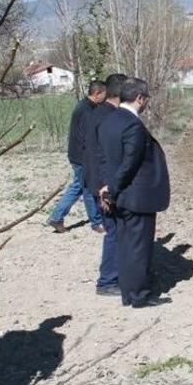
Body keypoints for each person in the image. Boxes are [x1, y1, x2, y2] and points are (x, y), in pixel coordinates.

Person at [98, 78, 171, 308]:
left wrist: (106, 188)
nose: (146, 103)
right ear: (139, 99)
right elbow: (129, 163)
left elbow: (104, 159)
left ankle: (129, 292)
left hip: (120, 196)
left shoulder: (109, 121)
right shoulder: (133, 125)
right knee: (139, 247)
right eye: (146, 99)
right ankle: (140, 295)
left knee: (125, 244)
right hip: (136, 197)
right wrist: (113, 188)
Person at [84, 73, 127, 297]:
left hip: (98, 182)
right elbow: (101, 156)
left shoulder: (100, 113)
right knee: (114, 231)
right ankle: (107, 281)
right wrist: (104, 188)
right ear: (120, 93)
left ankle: (116, 275)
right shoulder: (107, 118)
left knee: (116, 230)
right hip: (103, 186)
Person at [47, 80, 107, 233]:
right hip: (81, 156)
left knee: (78, 186)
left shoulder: (85, 105)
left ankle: (57, 217)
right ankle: (96, 222)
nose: (105, 98)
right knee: (86, 188)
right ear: (97, 93)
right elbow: (89, 138)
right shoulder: (88, 111)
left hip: (76, 154)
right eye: (104, 94)